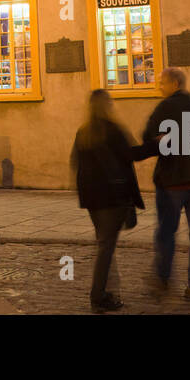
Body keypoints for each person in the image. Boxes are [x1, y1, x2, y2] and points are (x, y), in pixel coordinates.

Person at [134, 67, 190, 303]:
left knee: (166, 232)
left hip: (171, 182)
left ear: (175, 84)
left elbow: (147, 137)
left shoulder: (165, 108)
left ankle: (162, 277)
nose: (159, 87)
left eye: (162, 83)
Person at [70, 89, 144, 313]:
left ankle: (107, 289)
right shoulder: (113, 130)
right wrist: (158, 144)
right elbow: (133, 154)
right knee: (105, 247)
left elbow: (75, 164)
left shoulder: (83, 132)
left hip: (93, 200)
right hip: (113, 198)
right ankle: (98, 294)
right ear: (106, 105)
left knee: (104, 244)